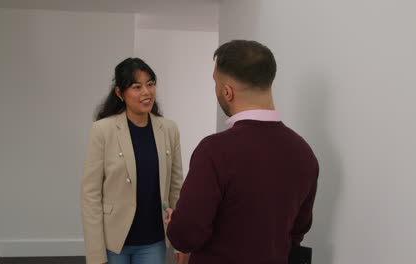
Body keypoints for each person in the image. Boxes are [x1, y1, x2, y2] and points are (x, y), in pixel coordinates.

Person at [166, 40, 319, 264]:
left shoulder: (214, 151)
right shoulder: (304, 152)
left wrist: (175, 223)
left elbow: (187, 234)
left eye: (215, 83)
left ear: (227, 92)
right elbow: (297, 231)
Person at [81, 58, 189, 264]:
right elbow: (90, 195)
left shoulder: (169, 129)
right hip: (114, 241)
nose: (146, 92)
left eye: (150, 84)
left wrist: (180, 241)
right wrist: (95, 255)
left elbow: (177, 188)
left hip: (153, 240)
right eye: (136, 87)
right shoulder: (103, 130)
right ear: (120, 93)